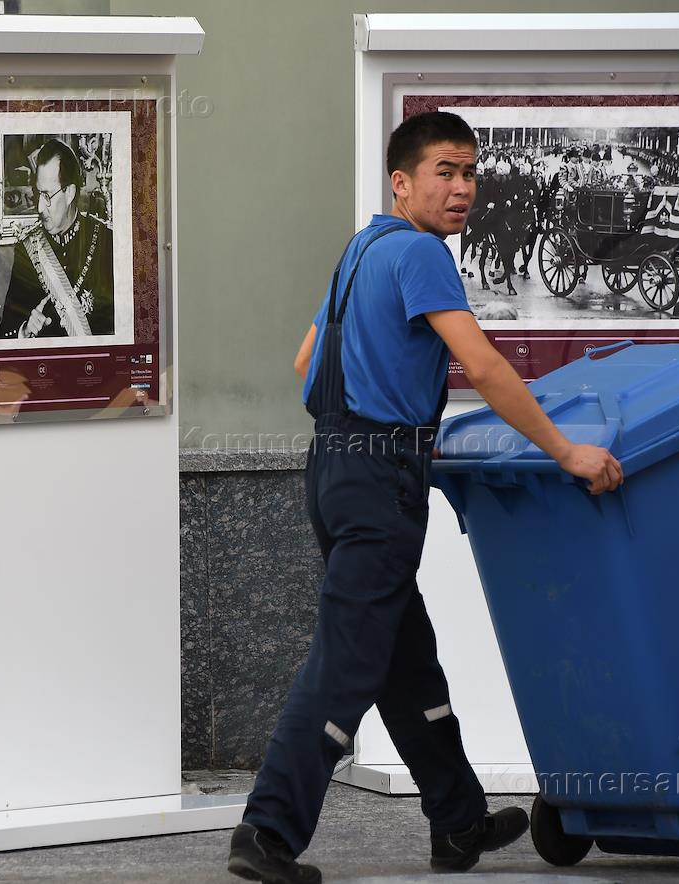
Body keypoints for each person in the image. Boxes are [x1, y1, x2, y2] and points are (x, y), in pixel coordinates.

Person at [227, 111, 623, 884]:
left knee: (405, 659)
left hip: (336, 467)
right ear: (401, 182)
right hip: (381, 481)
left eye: (470, 172)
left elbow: (307, 360)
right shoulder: (421, 254)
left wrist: (382, 410)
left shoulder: (363, 249)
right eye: (445, 172)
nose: (463, 188)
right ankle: (267, 832)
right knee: (346, 663)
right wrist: (567, 450)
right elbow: (484, 365)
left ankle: (458, 820)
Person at [0, 138, 114, 339]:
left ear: (69, 193)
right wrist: (25, 330)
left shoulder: (106, 241)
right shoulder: (28, 249)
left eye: (47, 195)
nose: (39, 208)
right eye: (38, 194)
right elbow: (7, 330)